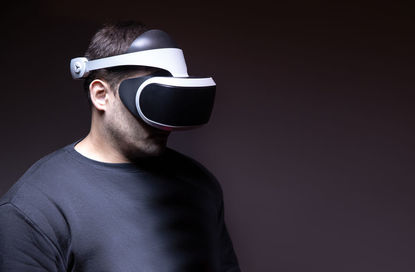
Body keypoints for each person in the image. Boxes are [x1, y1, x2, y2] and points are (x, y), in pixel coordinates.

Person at [0, 21, 241, 271]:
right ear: (101, 95)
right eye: (152, 102)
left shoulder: (200, 185)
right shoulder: (34, 208)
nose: (163, 126)